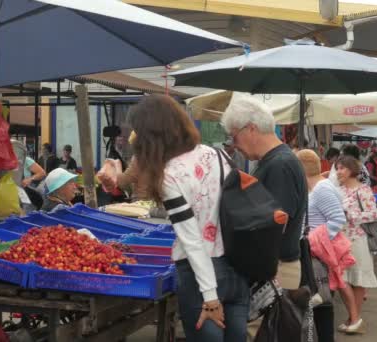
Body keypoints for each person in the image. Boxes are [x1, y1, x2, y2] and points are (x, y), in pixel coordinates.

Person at [130, 95, 249, 342]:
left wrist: (210, 297)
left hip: (202, 277)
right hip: (237, 269)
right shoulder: (218, 156)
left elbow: (193, 240)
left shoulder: (170, 176)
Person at [221, 96, 307, 341]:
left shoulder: (280, 165)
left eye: (233, 136)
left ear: (251, 128)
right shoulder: (275, 161)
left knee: (263, 334)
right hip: (272, 269)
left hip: (276, 271)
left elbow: (273, 225)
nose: (233, 144)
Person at [297, 149, 357, 342]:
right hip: (317, 255)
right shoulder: (317, 187)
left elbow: (338, 219)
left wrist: (311, 240)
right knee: (320, 306)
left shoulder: (322, 189)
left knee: (321, 306)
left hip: (318, 257)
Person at [336, 155, 377, 335]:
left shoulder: (363, 190)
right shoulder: (337, 190)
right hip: (339, 240)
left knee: (358, 280)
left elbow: (373, 214)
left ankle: (353, 318)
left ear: (352, 170)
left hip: (358, 239)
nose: (338, 172)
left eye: (342, 168)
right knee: (341, 279)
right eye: (337, 168)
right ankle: (353, 318)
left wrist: (351, 214)